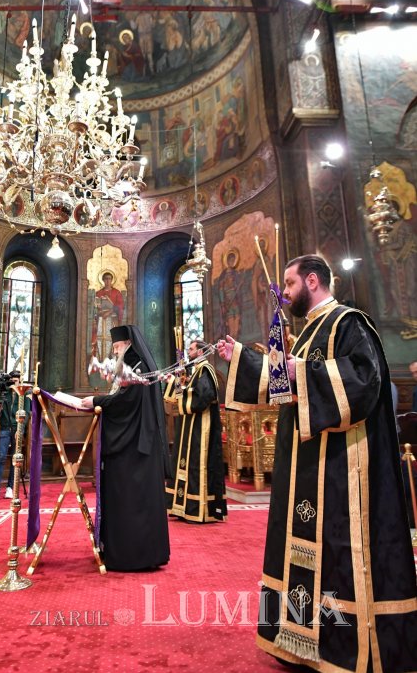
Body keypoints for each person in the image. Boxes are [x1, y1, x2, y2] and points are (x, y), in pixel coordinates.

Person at [217, 254, 417, 673]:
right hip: (304, 468)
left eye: (288, 285)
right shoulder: (308, 335)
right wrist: (239, 357)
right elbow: (280, 386)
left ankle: (340, 645)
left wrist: (302, 371)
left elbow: (365, 380)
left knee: (338, 554)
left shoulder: (348, 323)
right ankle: (300, 640)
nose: (284, 293)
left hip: (341, 470)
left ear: (312, 280)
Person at [81, 325, 171, 571]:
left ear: (127, 344)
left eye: (116, 347)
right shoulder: (133, 365)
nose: (114, 352)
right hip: (138, 444)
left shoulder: (137, 367)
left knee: (134, 502)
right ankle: (136, 551)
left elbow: (127, 402)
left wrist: (97, 401)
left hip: (134, 450)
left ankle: (133, 556)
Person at [165, 338, 227, 523]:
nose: (189, 352)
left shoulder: (205, 370)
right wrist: (175, 381)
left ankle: (197, 508)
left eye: (191, 349)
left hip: (201, 429)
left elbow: (203, 396)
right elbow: (179, 395)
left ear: (200, 352)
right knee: (186, 464)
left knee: (196, 467)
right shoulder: (197, 371)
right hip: (191, 427)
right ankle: (183, 507)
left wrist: (184, 392)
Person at [0, 371, 31, 502]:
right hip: (5, 428)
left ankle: (10, 487)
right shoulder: (4, 394)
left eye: (16, 381)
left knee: (14, 459)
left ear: (19, 381)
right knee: (0, 457)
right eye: (11, 381)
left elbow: (26, 414)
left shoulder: (24, 394)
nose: (13, 383)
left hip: (17, 428)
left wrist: (20, 428)